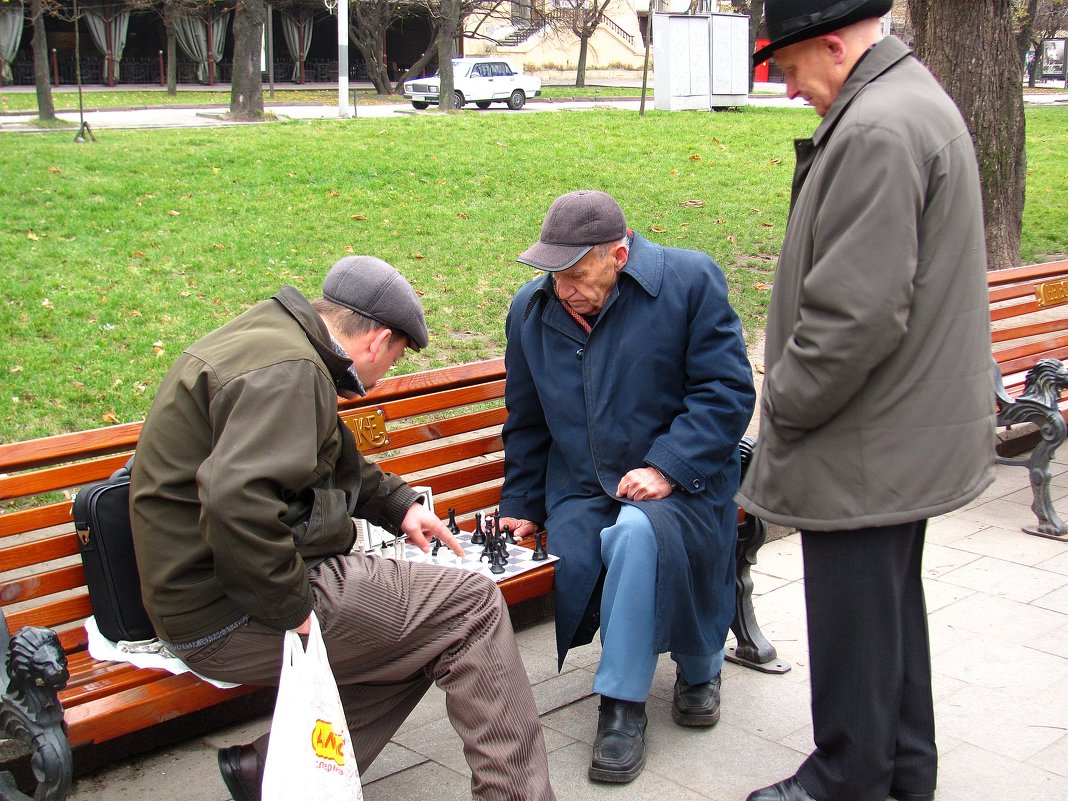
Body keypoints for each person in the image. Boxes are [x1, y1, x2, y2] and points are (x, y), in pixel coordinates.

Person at [130, 256, 556, 801]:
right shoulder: (290, 371)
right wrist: (294, 613)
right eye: (396, 358)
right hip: (230, 609)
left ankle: (267, 771)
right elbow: (237, 506)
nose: (385, 375)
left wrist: (400, 505)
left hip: (205, 592)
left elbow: (329, 454)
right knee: (468, 606)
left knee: (422, 634)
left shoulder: (276, 339)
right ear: (378, 341)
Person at [739, 3, 996, 801]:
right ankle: (902, 774)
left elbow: (853, 317)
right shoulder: (908, 100)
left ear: (833, 43)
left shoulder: (875, 129)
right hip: (899, 431)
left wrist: (782, 399)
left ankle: (846, 778)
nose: (787, 91)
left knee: (856, 624)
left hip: (864, 443)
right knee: (889, 622)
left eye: (786, 70)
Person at [497, 190, 755, 784]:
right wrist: (520, 504)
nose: (563, 289)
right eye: (553, 274)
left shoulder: (688, 281)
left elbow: (726, 392)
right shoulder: (531, 311)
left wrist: (666, 466)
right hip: (585, 487)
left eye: (578, 274)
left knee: (639, 532)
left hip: (686, 480)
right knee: (617, 534)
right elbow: (527, 419)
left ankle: (641, 692)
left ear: (620, 253)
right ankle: (671, 680)